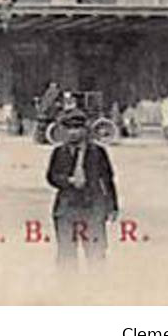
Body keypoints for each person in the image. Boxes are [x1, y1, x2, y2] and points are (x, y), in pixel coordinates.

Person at [45, 109, 119, 268]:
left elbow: (107, 180)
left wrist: (112, 206)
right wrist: (68, 181)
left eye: (78, 128)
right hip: (66, 209)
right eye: (69, 129)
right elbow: (51, 177)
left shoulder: (98, 152)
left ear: (85, 130)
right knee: (66, 254)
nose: (73, 133)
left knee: (95, 254)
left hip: (93, 208)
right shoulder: (59, 152)